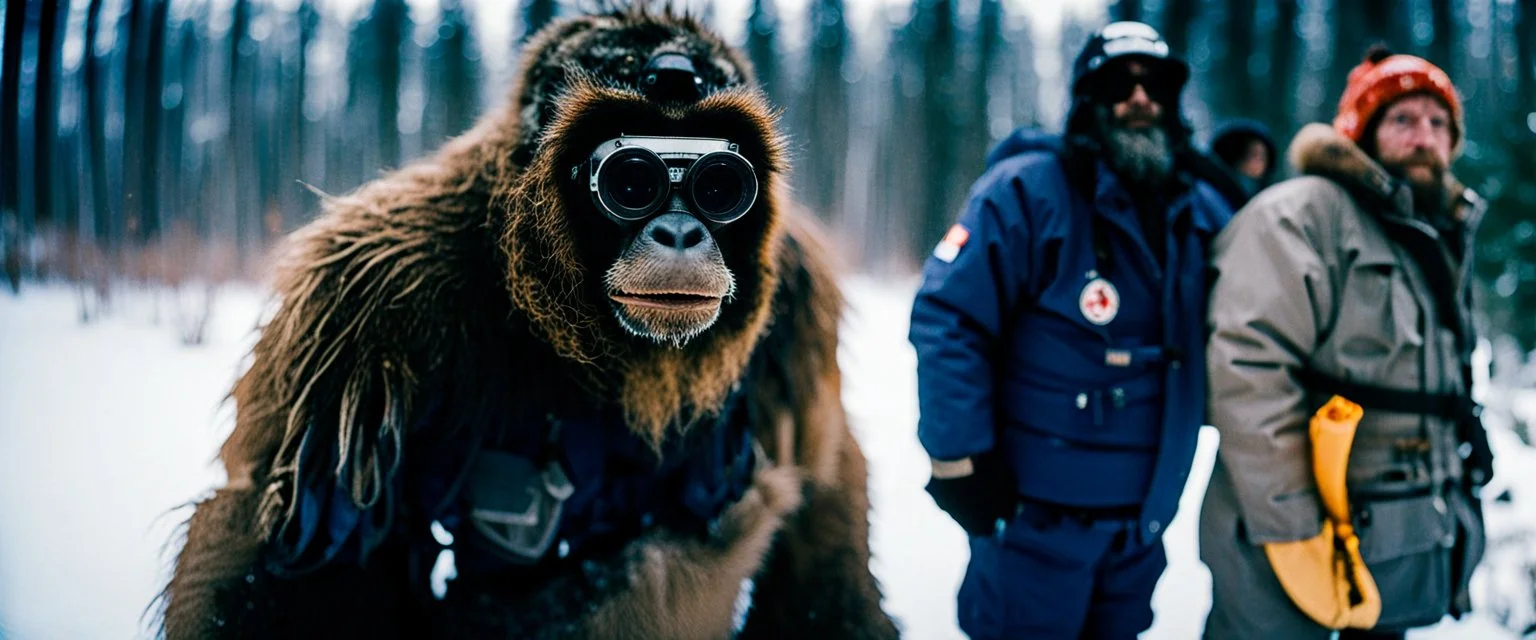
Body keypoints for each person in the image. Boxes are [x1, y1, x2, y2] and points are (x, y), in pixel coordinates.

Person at [908, 21, 1233, 639]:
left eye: (1156, 86)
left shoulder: (1199, 212)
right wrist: (957, 461)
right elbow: (949, 319)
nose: (1140, 99)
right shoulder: (1027, 193)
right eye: (1119, 83)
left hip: (1141, 530)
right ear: (1088, 101)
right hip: (1034, 527)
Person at [1201, 46, 1491, 639]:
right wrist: (1291, 524)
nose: (1423, 137)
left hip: (1399, 533)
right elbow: (1246, 369)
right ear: (1361, 132)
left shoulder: (1438, 233)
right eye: (1402, 119)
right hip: (1288, 532)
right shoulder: (1303, 215)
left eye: (1439, 124)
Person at [1206, 118, 1278, 208]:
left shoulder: (1270, 200)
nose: (1253, 162)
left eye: (1260, 157)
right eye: (1247, 154)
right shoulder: (1210, 195)